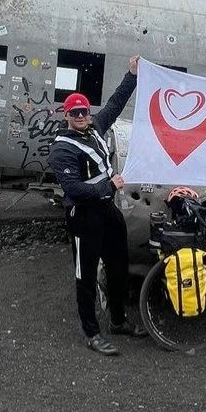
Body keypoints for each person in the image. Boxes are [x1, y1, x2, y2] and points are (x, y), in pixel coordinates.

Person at [50, 56, 146, 355]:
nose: (81, 116)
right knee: (86, 275)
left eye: (84, 111)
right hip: (84, 216)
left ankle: (117, 320)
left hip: (108, 211)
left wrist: (131, 75)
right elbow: (74, 189)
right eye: (75, 112)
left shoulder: (95, 128)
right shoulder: (62, 149)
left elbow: (115, 105)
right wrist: (110, 185)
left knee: (119, 268)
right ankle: (92, 333)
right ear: (67, 116)